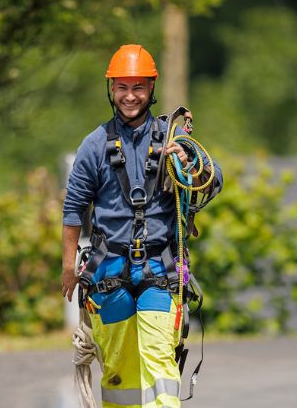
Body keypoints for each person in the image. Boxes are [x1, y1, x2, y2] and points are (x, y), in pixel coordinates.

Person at [62, 44, 223, 407]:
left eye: (138, 87)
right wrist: (68, 269)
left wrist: (189, 158)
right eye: (122, 87)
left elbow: (213, 181)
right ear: (111, 89)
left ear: (152, 89)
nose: (130, 96)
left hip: (159, 272)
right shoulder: (94, 146)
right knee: (119, 373)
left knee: (160, 366)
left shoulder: (173, 140)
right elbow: (73, 210)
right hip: (108, 272)